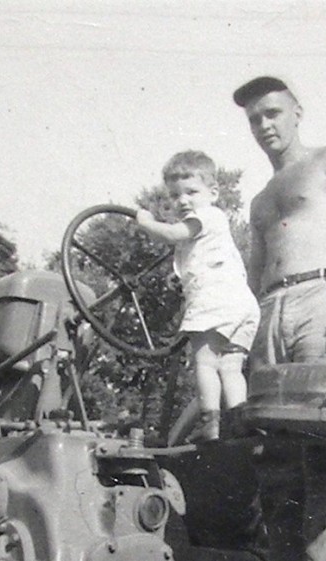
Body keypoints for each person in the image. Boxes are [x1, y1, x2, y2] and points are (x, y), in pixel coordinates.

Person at [233, 76, 326, 560]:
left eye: (272, 113)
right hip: (269, 311)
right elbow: (254, 275)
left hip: (323, 301)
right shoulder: (258, 201)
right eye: (254, 119)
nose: (263, 125)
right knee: (275, 458)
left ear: (297, 111)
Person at [136, 150, 260, 441]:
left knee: (204, 362)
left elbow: (173, 234)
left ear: (213, 192)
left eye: (191, 192)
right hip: (242, 307)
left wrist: (146, 223)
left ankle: (210, 424)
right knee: (230, 367)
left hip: (215, 301)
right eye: (175, 196)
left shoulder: (206, 215)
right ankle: (239, 422)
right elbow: (196, 259)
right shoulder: (212, 225)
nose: (183, 201)